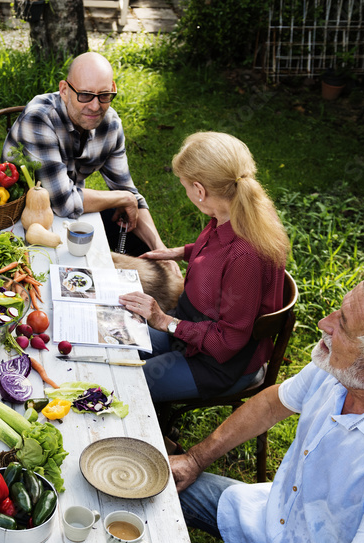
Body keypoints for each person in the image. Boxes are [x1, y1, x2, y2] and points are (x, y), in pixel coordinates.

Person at [172, 260, 364, 543]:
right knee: (154, 484)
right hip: (267, 516)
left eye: (343, 324)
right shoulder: (345, 366)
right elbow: (273, 404)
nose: (323, 323)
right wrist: (194, 460)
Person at [119, 132, 288, 403]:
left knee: (128, 386)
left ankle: (156, 434)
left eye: (184, 185)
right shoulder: (235, 210)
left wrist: (163, 321)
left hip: (219, 362)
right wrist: (181, 252)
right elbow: (218, 251)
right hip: (191, 330)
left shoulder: (246, 255)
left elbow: (228, 341)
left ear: (199, 190)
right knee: (116, 348)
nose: (185, 191)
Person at [2, 51, 171, 262]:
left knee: (146, 249)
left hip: (66, 217)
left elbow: (129, 194)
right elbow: (63, 201)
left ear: (113, 89)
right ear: (64, 90)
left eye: (104, 95)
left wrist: (162, 250)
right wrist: (123, 198)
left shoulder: (110, 124)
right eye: (85, 95)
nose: (95, 106)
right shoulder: (39, 117)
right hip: (16, 221)